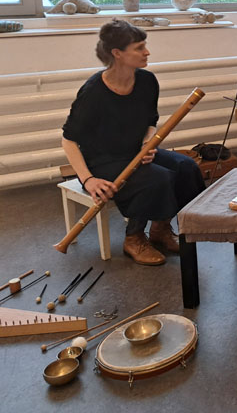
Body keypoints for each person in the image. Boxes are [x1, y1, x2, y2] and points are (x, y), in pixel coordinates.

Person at [61, 20, 205, 265]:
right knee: (157, 178)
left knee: (186, 167)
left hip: (135, 151)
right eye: (139, 48)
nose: (147, 52)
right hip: (102, 161)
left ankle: (161, 228)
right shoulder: (93, 92)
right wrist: (88, 179)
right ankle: (134, 238)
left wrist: (148, 143)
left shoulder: (147, 81)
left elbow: (150, 122)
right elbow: (69, 140)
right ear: (117, 53)